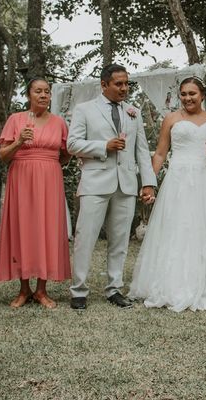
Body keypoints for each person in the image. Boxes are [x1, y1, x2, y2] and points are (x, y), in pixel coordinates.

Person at [129, 77, 206, 312]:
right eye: (184, 94)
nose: (187, 98)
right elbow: (160, 154)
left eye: (192, 94)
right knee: (179, 227)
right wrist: (148, 182)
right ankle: (174, 282)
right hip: (179, 180)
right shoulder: (172, 119)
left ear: (203, 95)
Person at [67, 64, 157, 310]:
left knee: (120, 241)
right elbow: (72, 144)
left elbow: (141, 150)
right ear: (104, 85)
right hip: (95, 182)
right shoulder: (85, 109)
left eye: (127, 84)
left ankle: (114, 289)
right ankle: (79, 291)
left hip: (126, 184)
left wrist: (148, 183)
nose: (124, 88)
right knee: (85, 238)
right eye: (119, 84)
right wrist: (102, 146)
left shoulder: (133, 112)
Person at [0, 78, 72, 309]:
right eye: (38, 91)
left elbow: (67, 153)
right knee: (23, 229)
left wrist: (51, 163)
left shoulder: (59, 122)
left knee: (47, 229)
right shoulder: (16, 119)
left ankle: (41, 290)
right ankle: (24, 288)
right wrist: (19, 142)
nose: (43, 95)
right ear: (29, 94)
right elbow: (3, 155)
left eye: (47, 91)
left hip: (50, 179)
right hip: (22, 178)